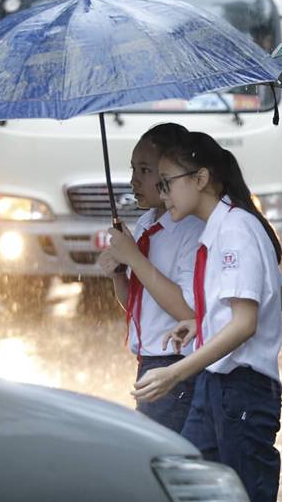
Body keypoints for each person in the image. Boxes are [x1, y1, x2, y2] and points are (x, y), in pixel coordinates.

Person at [126, 132, 282, 502]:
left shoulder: (236, 229)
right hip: (216, 383)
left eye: (167, 183)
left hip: (243, 388)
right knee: (188, 484)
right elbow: (256, 303)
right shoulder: (218, 229)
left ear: (200, 179)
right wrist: (203, 323)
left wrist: (174, 372)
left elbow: (246, 323)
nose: (162, 195)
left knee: (244, 492)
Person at [100, 123, 204, 432]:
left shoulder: (191, 229)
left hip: (176, 365)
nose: (134, 181)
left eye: (144, 170)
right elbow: (138, 305)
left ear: (172, 171)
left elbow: (188, 311)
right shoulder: (146, 224)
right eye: (132, 169)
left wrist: (133, 256)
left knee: (162, 462)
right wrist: (120, 274)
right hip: (148, 362)